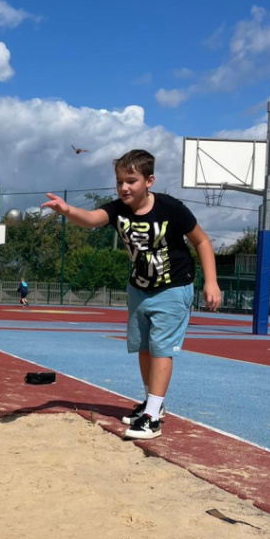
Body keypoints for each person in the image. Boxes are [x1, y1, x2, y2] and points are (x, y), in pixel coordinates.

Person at [42, 149, 220, 440]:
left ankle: (152, 417)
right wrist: (67, 210)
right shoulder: (118, 209)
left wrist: (210, 282)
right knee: (143, 347)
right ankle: (152, 403)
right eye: (119, 182)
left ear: (149, 181)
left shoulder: (170, 208)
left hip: (173, 286)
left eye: (131, 181)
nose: (124, 187)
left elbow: (201, 241)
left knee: (160, 348)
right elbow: (91, 218)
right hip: (139, 288)